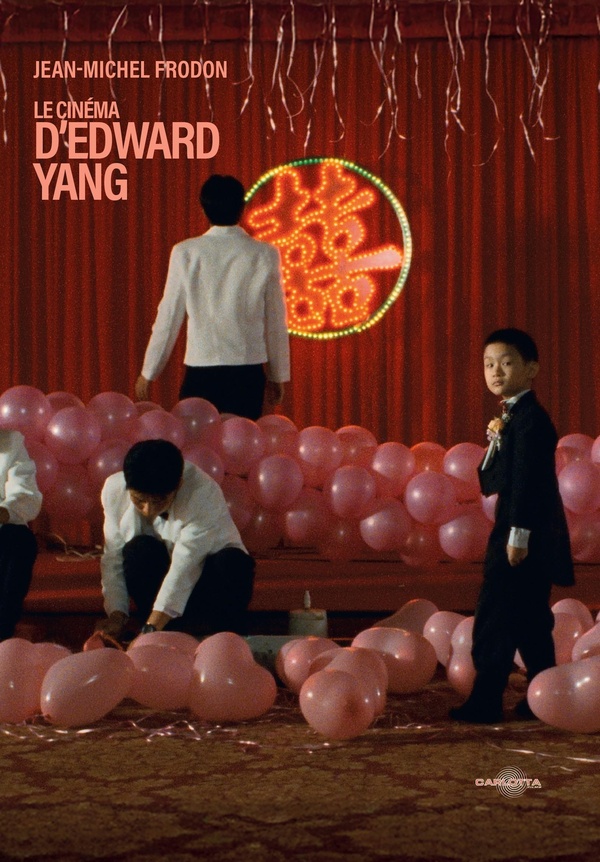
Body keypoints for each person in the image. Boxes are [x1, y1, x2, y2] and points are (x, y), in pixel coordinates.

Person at [450, 328, 574, 724]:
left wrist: (517, 536)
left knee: (495, 615)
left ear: (531, 368)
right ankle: (546, 696)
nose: (496, 371)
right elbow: (493, 482)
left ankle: (486, 701)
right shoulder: (515, 416)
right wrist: (497, 442)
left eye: (506, 363)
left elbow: (526, 483)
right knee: (530, 617)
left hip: (521, 533)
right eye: (489, 364)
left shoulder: (531, 420)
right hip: (526, 531)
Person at [135, 174, 290, 420]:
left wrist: (149, 370)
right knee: (242, 440)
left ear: (203, 209)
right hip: (247, 371)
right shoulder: (264, 253)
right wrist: (277, 374)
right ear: (242, 207)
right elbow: (275, 321)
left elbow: (169, 316)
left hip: (201, 369)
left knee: (198, 441)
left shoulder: (186, 252)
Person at [96, 439, 255, 642]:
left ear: (178, 485)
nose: (148, 510)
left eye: (158, 501)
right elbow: (113, 558)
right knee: (137, 551)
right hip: (161, 581)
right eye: (139, 500)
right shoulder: (113, 490)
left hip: (210, 583)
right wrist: (117, 614)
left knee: (231, 562)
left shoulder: (202, 492)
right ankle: (162, 631)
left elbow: (186, 565)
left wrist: (151, 628)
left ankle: (225, 638)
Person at [0, 431, 42, 640]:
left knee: (20, 540)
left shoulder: (11, 443)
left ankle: (3, 632)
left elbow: (26, 497)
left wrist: (4, 512)